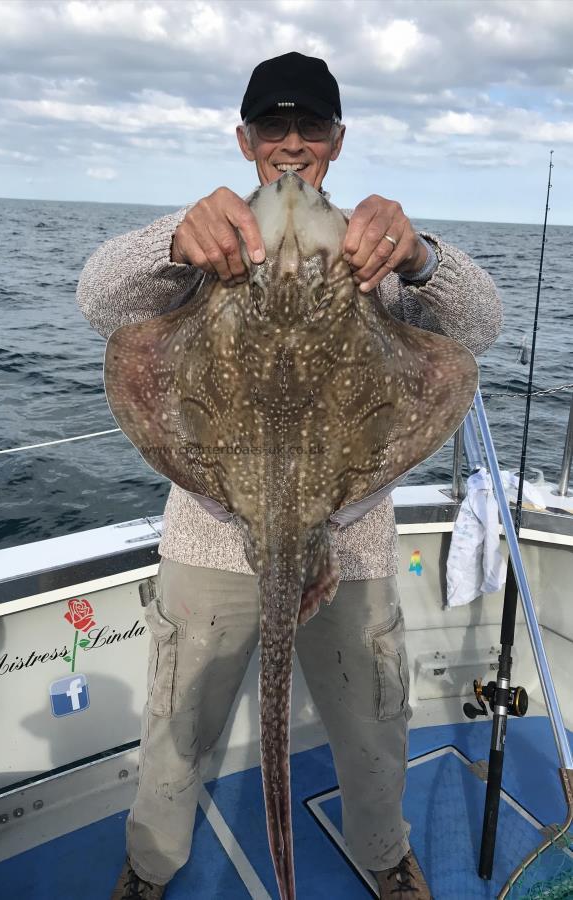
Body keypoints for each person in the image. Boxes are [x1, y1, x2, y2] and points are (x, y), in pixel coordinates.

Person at [77, 52, 501, 900]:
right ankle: (150, 864)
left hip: (350, 532)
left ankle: (385, 855)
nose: (293, 145)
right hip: (210, 527)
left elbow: (478, 327)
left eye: (311, 127)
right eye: (274, 127)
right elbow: (99, 300)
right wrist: (171, 239)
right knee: (177, 721)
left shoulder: (371, 251)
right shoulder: (204, 242)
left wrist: (419, 257)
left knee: (373, 721)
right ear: (245, 140)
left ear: (337, 142)